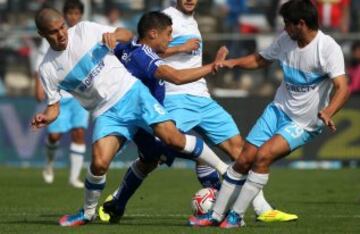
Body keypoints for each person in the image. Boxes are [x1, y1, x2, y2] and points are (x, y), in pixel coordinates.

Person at [99, 0, 296, 224]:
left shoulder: (193, 21)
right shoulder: (164, 18)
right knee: (155, 156)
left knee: (239, 151)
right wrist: (180, 48)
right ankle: (118, 198)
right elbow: (142, 50)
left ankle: (261, 208)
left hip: (203, 97)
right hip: (174, 96)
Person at [32, 7, 229, 227]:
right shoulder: (47, 69)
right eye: (53, 31)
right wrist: (46, 117)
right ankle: (88, 213)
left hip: (132, 94)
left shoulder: (85, 30)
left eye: (62, 27)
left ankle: (225, 171)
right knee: (99, 163)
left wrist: (114, 35)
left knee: (172, 139)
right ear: (42, 34)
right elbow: (53, 107)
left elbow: (126, 34)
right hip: (106, 112)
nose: (61, 34)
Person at [188, 0, 349, 228]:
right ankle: (215, 215)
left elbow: (343, 86)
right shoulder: (286, 40)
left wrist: (329, 111)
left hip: (304, 122)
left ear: (301, 24)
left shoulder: (327, 48)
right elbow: (260, 59)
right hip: (277, 110)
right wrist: (233, 63)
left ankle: (236, 216)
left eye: (287, 24)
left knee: (262, 157)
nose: (284, 29)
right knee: (243, 159)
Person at [97, 11, 230, 223]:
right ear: (152, 33)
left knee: (148, 161)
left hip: (135, 124)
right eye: (168, 34)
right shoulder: (143, 56)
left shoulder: (127, 49)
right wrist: (211, 67)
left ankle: (117, 204)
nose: (170, 38)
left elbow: (127, 37)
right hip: (149, 124)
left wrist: (116, 34)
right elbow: (176, 77)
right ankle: (222, 205)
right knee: (199, 152)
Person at [34, 0, 88, 188]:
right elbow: (41, 64)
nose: (73, 17)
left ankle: (74, 178)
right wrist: (38, 86)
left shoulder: (84, 33)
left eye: (76, 13)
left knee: (79, 133)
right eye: (70, 13)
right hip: (59, 96)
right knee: (55, 136)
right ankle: (49, 164)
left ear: (80, 15)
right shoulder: (50, 39)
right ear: (64, 15)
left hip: (80, 95)